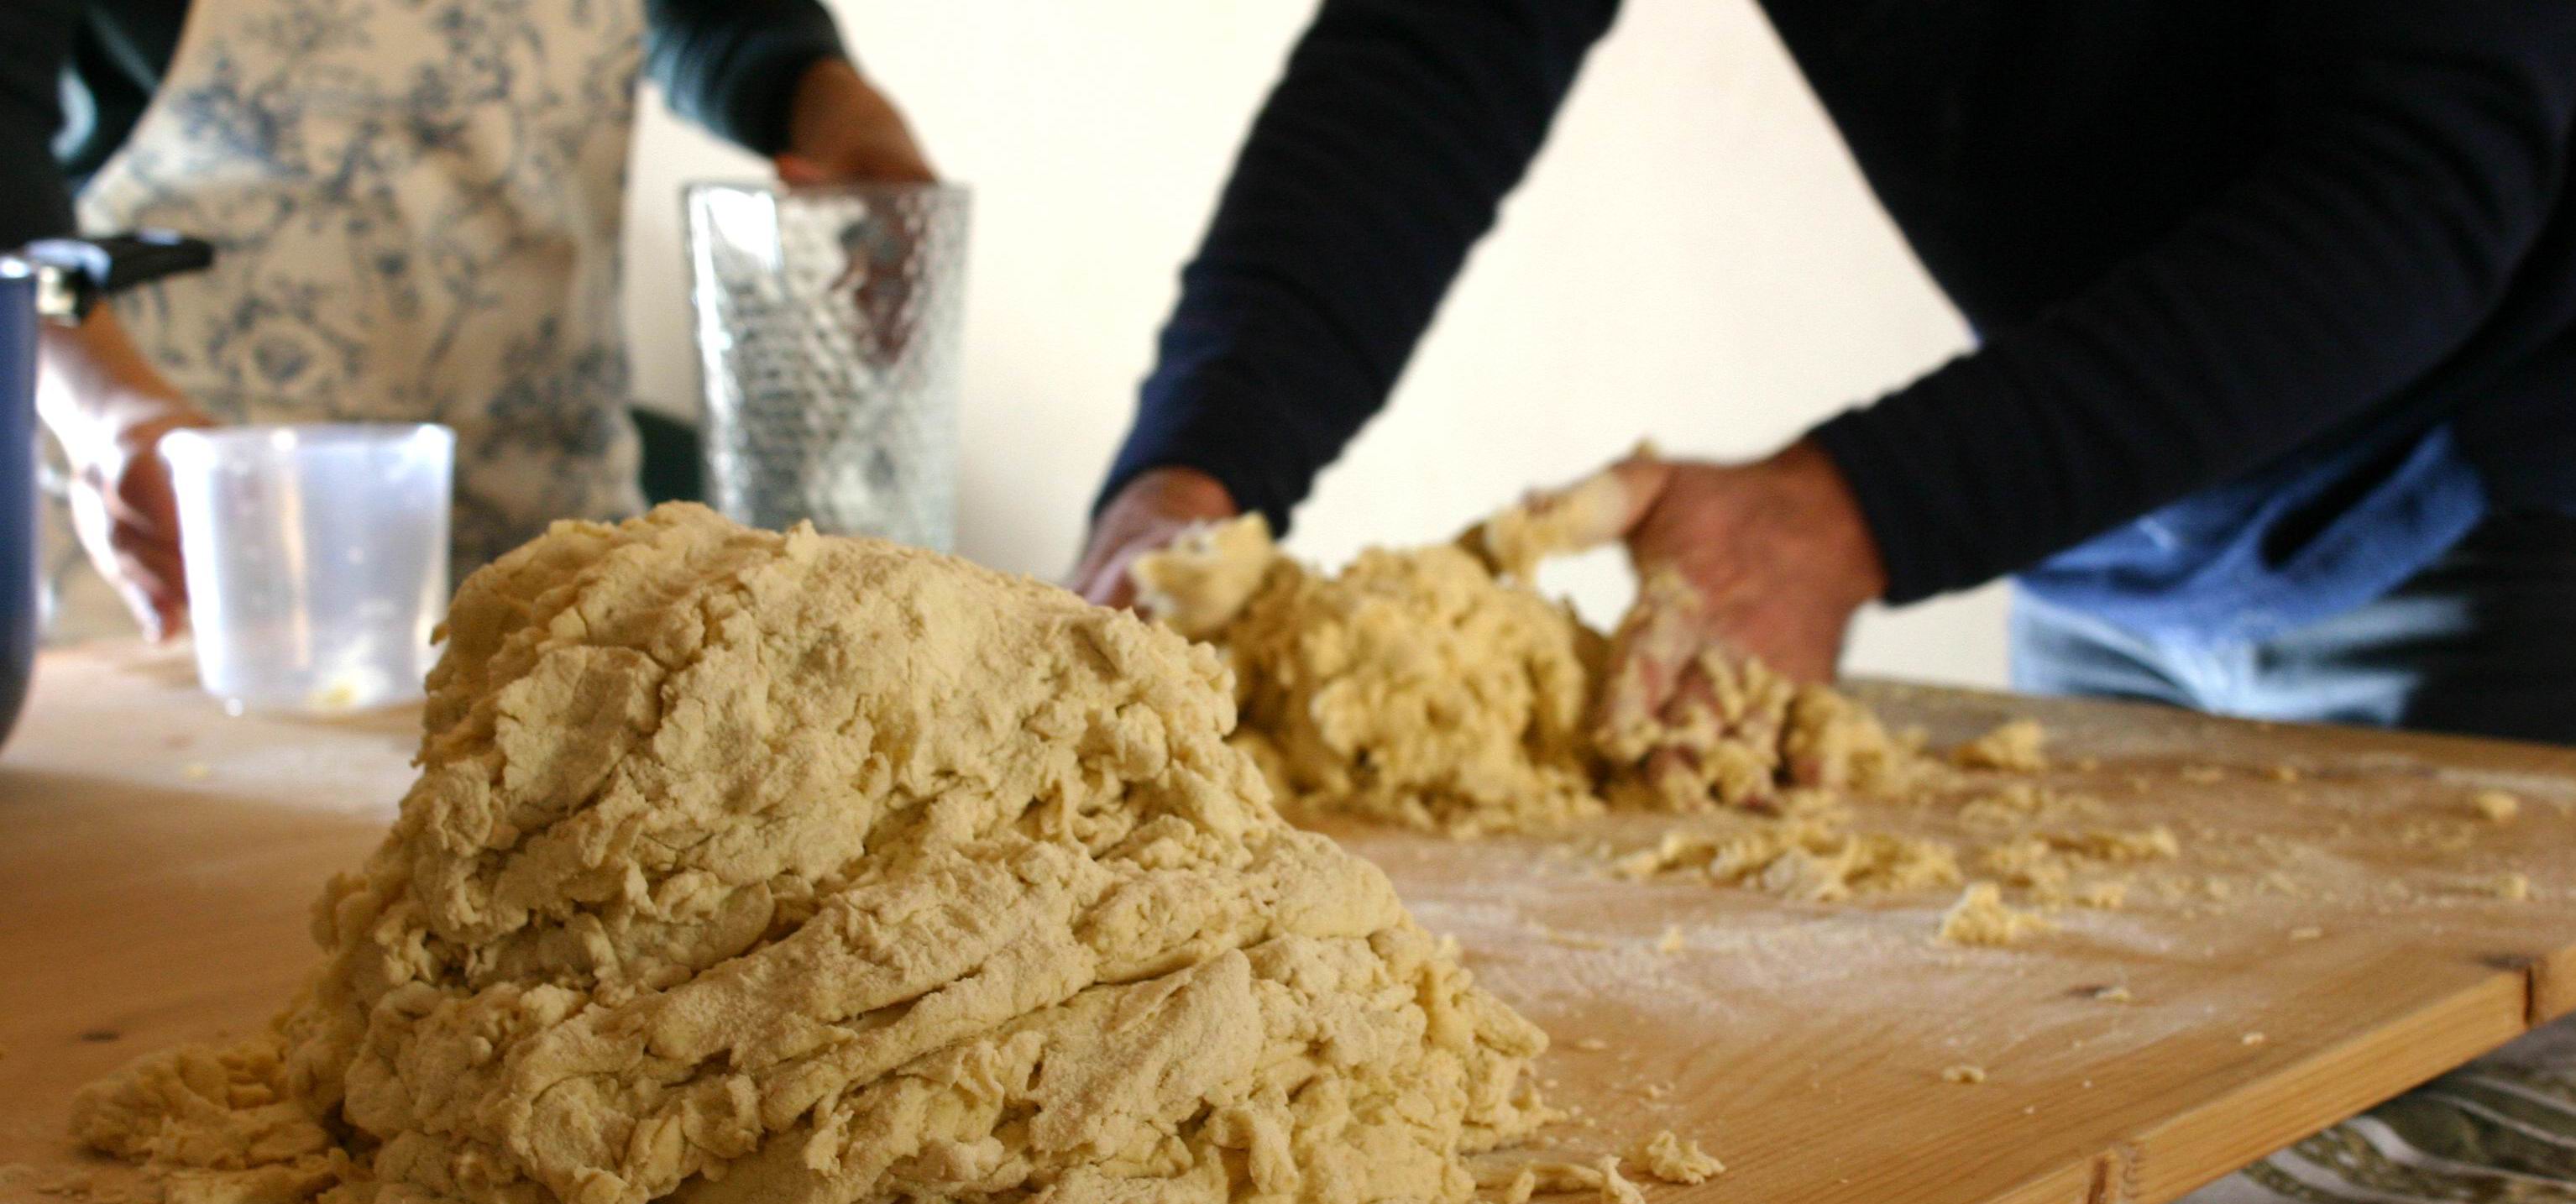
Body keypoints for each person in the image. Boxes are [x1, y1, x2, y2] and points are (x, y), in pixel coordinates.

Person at [1068, 2, 2576, 746]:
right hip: (2109, 516)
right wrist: (1196, 473)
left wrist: (1852, 511)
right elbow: (1428, 61)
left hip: (2492, 497)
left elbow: (2418, 183)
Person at [4, 0, 935, 641]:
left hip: (548, 514)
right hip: (203, 522)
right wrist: (108, 414)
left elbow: (733, 24)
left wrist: (855, 127)